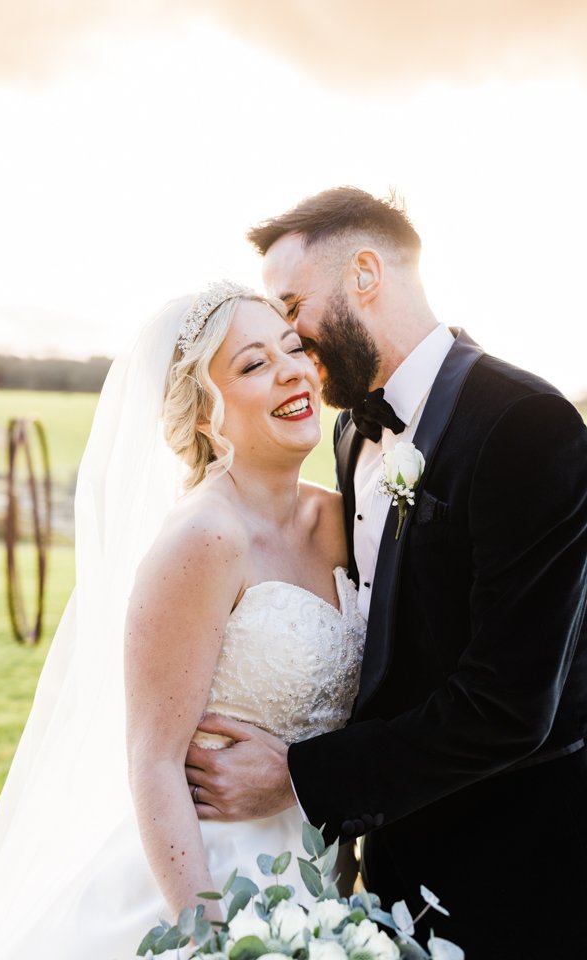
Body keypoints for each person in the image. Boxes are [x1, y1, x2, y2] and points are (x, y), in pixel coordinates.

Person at [186, 188, 587, 959]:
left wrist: (302, 779)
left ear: (366, 273)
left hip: (516, 876)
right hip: (383, 876)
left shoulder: (526, 426)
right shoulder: (345, 433)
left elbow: (509, 706)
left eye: (293, 304)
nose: (291, 339)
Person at [0, 282, 367, 959]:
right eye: (253, 364)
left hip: (317, 880)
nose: (292, 370)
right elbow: (154, 760)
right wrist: (210, 937)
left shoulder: (344, 520)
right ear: (204, 414)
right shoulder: (203, 540)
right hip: (202, 880)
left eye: (292, 348)